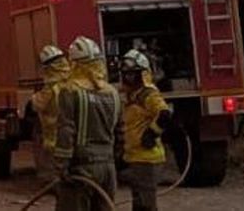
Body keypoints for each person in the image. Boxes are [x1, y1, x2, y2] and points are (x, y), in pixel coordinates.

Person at [53, 36, 123, 211]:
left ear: (74, 64)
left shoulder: (70, 91)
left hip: (81, 168)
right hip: (108, 169)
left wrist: (62, 165)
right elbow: (121, 132)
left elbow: (66, 130)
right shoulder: (112, 93)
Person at [119, 49, 173, 211]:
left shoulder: (148, 95)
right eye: (126, 74)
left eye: (132, 74)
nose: (128, 77)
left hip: (147, 158)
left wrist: (151, 133)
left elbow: (164, 114)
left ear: (141, 74)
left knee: (146, 205)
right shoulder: (132, 96)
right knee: (139, 204)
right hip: (136, 157)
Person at [31, 45, 72, 174]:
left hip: (54, 140)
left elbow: (37, 104)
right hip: (71, 137)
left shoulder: (50, 89)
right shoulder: (73, 83)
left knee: (55, 174)